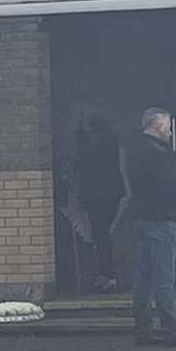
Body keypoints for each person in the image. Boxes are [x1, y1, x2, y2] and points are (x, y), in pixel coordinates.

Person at [123, 107, 176, 346]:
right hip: (161, 220)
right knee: (164, 278)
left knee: (143, 279)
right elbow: (169, 188)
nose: (169, 132)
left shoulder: (133, 150)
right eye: (167, 126)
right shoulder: (158, 154)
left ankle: (143, 328)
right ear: (157, 126)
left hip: (141, 219)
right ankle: (172, 330)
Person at [75, 108, 126, 293]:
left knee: (100, 235)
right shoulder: (112, 143)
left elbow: (82, 152)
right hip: (112, 194)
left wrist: (80, 125)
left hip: (96, 196)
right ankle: (109, 275)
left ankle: (108, 275)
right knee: (105, 234)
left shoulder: (92, 147)